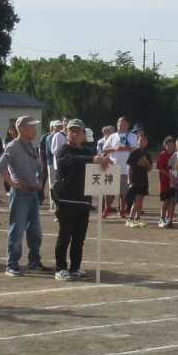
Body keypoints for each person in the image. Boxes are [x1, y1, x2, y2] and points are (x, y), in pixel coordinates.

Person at [50, 119, 112, 280]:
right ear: (66, 133)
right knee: (64, 236)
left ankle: (75, 267)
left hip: (84, 200)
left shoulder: (87, 151)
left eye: (79, 131)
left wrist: (105, 162)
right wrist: (95, 159)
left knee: (79, 237)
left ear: (84, 134)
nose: (75, 134)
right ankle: (60, 268)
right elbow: (73, 160)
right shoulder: (62, 150)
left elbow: (94, 162)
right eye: (72, 131)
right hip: (66, 200)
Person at [0, 116, 46, 276]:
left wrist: (39, 179)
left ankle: (34, 262)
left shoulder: (31, 147)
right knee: (17, 230)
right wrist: (12, 182)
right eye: (32, 127)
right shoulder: (13, 146)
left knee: (35, 231)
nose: (35, 130)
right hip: (20, 194)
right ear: (23, 129)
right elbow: (1, 165)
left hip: (32, 194)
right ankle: (11, 264)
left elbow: (40, 166)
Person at [123, 130, 152, 226]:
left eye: (145, 140)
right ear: (138, 141)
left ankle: (137, 219)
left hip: (144, 180)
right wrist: (129, 179)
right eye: (141, 140)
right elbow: (129, 167)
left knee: (140, 201)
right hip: (136, 180)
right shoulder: (134, 152)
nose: (143, 142)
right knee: (137, 201)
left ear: (147, 142)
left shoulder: (147, 154)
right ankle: (130, 219)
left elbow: (149, 169)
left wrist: (147, 162)